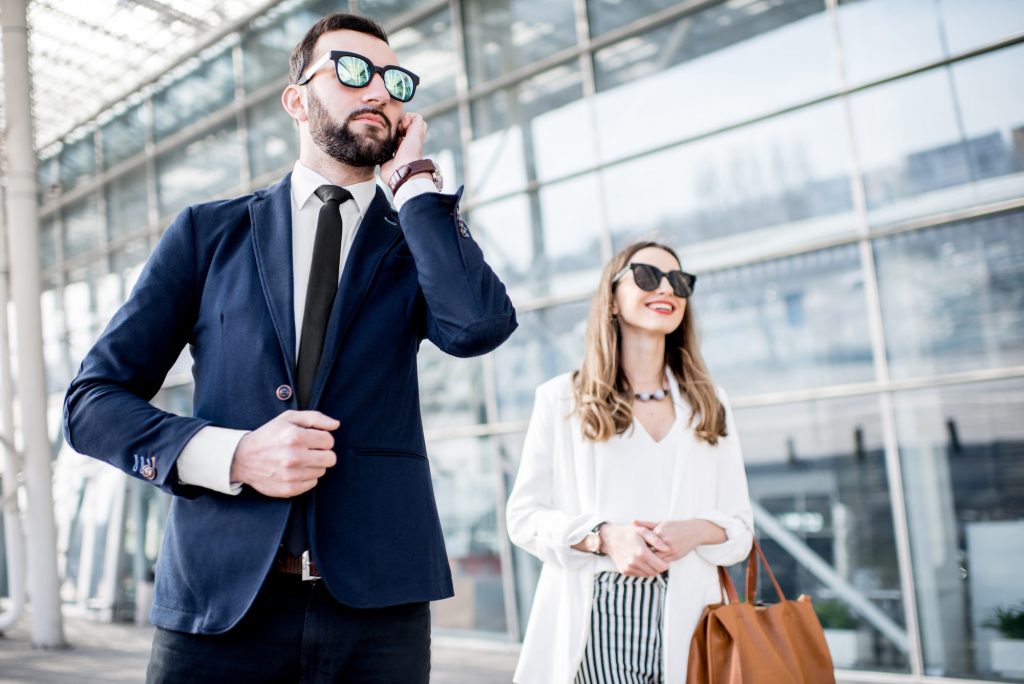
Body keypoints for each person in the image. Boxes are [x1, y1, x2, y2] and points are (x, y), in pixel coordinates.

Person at [63, 12, 516, 684]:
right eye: (352, 71)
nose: (378, 92)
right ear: (296, 100)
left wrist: (416, 185)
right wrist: (235, 453)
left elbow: (476, 326)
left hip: (377, 613)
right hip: (219, 608)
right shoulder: (207, 234)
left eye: (394, 80)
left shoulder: (415, 243)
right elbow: (91, 404)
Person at [506, 241, 753, 683]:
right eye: (646, 276)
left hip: (689, 625)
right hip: (594, 624)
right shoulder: (562, 399)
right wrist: (604, 537)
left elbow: (740, 531)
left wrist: (695, 530)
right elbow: (523, 518)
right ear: (612, 300)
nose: (666, 288)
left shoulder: (710, 404)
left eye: (679, 281)